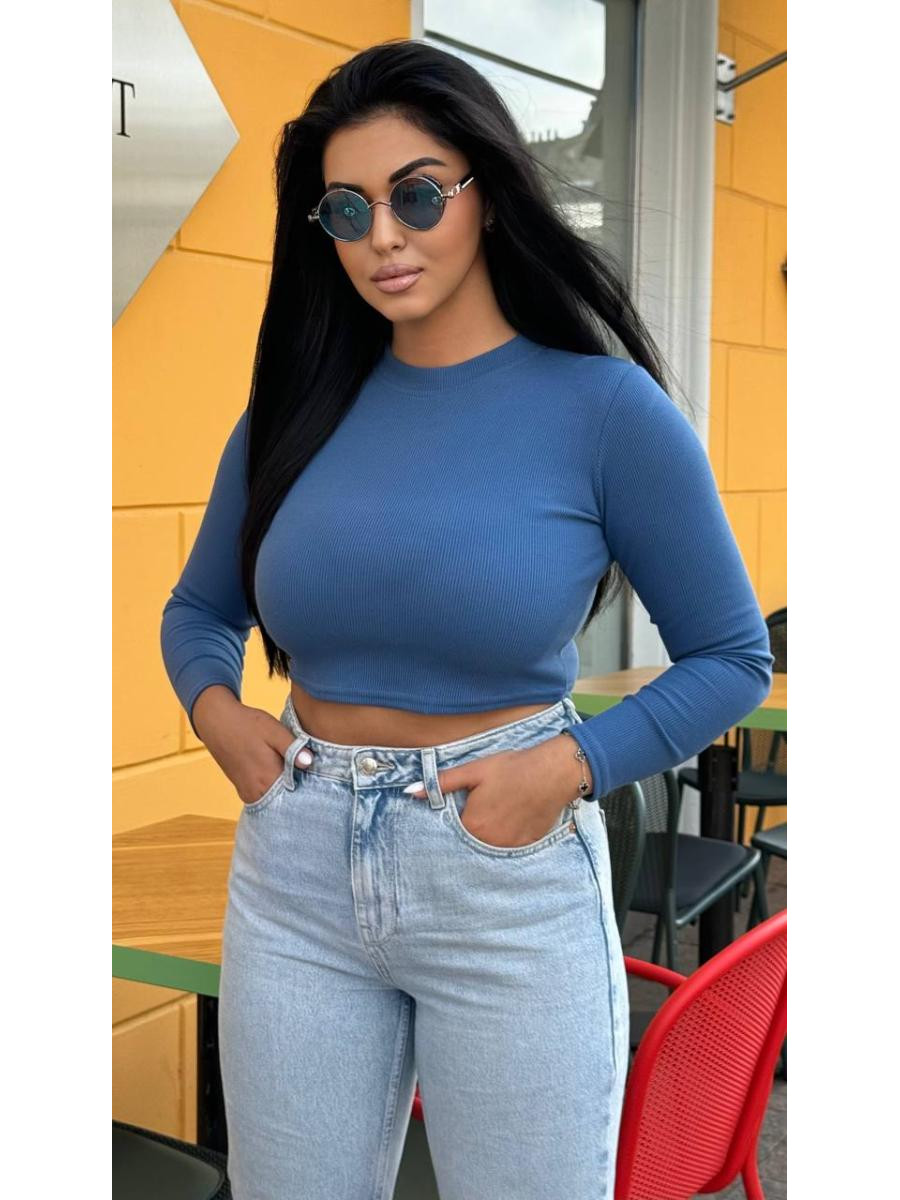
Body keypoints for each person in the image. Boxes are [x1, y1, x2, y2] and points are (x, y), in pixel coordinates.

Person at [160, 38, 774, 1200]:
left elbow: (732, 656)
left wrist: (574, 766)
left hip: (504, 867)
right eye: (348, 210)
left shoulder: (603, 410)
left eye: (417, 194)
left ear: (488, 193)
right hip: (295, 871)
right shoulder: (294, 410)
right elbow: (199, 608)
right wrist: (216, 713)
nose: (383, 237)